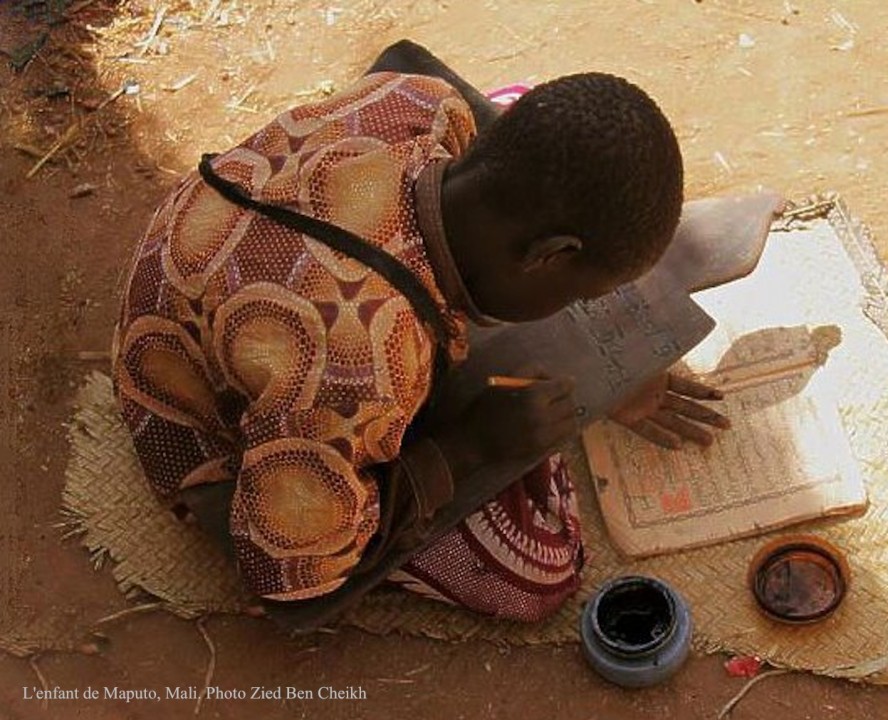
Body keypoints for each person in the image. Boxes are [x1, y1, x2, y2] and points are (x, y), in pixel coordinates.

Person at [111, 40, 729, 626]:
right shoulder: (357, 369)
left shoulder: (420, 99)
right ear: (549, 256)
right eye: (583, 296)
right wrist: (471, 446)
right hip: (195, 420)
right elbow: (286, 574)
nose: (578, 309)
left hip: (197, 267)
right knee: (542, 565)